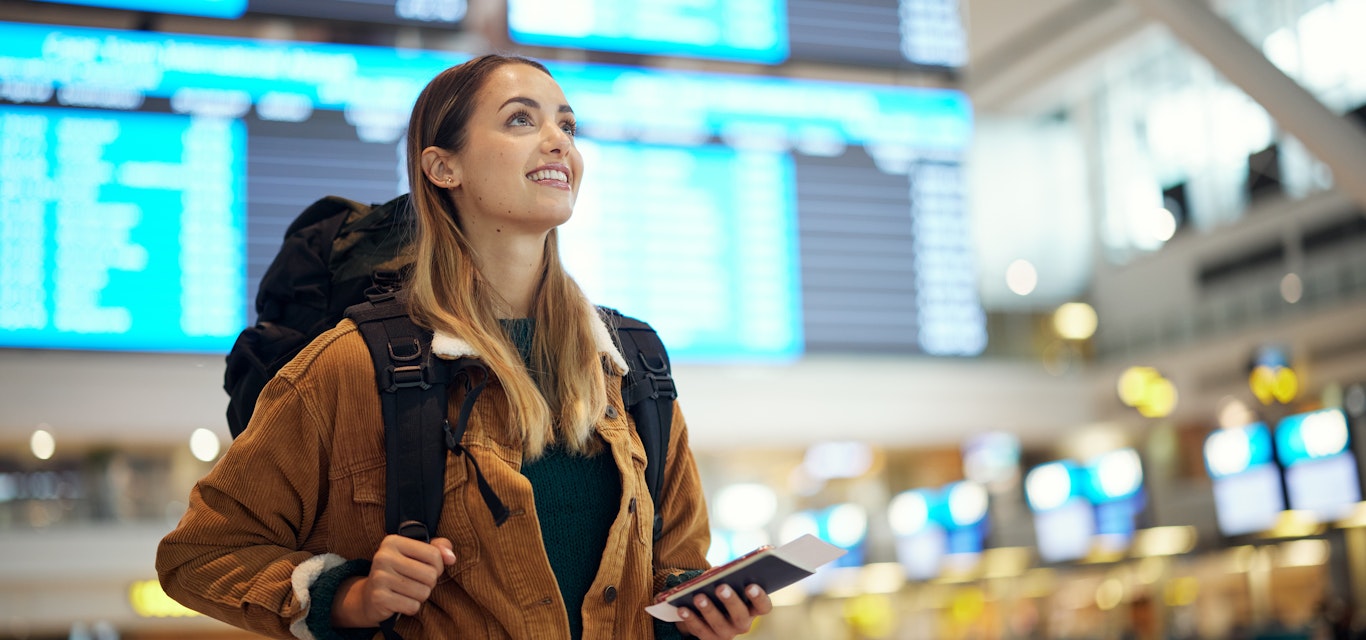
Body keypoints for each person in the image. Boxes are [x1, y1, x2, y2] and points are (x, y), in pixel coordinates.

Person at [157, 54, 773, 640]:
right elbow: (200, 554)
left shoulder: (630, 363)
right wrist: (351, 598)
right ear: (442, 167)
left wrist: (701, 606)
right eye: (520, 120)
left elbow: (677, 562)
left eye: (567, 124)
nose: (559, 141)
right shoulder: (354, 364)